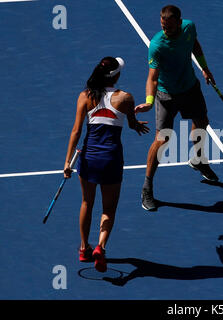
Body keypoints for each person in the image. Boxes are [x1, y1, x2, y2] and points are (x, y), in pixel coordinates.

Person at [64, 56, 149, 272]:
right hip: (111, 159)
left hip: (89, 158)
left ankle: (84, 249)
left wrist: (67, 162)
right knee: (108, 209)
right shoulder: (126, 98)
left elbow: (76, 131)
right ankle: (100, 247)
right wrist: (136, 122)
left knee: (86, 203)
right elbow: (131, 124)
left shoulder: (85, 96)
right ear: (117, 76)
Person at [135, 5, 218, 211]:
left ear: (179, 22)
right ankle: (147, 187)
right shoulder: (157, 45)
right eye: (163, 26)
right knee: (163, 139)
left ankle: (198, 160)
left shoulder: (189, 28)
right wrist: (149, 100)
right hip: (166, 95)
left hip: (190, 88)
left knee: (202, 123)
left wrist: (204, 68)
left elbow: (194, 45)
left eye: (170, 27)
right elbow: (152, 78)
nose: (166, 30)